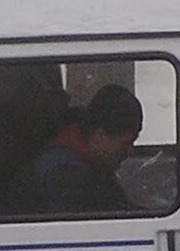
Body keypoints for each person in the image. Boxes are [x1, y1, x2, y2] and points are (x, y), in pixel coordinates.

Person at [13, 83, 144, 216]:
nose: (130, 151)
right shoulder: (62, 177)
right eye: (126, 143)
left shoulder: (94, 166)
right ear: (99, 136)